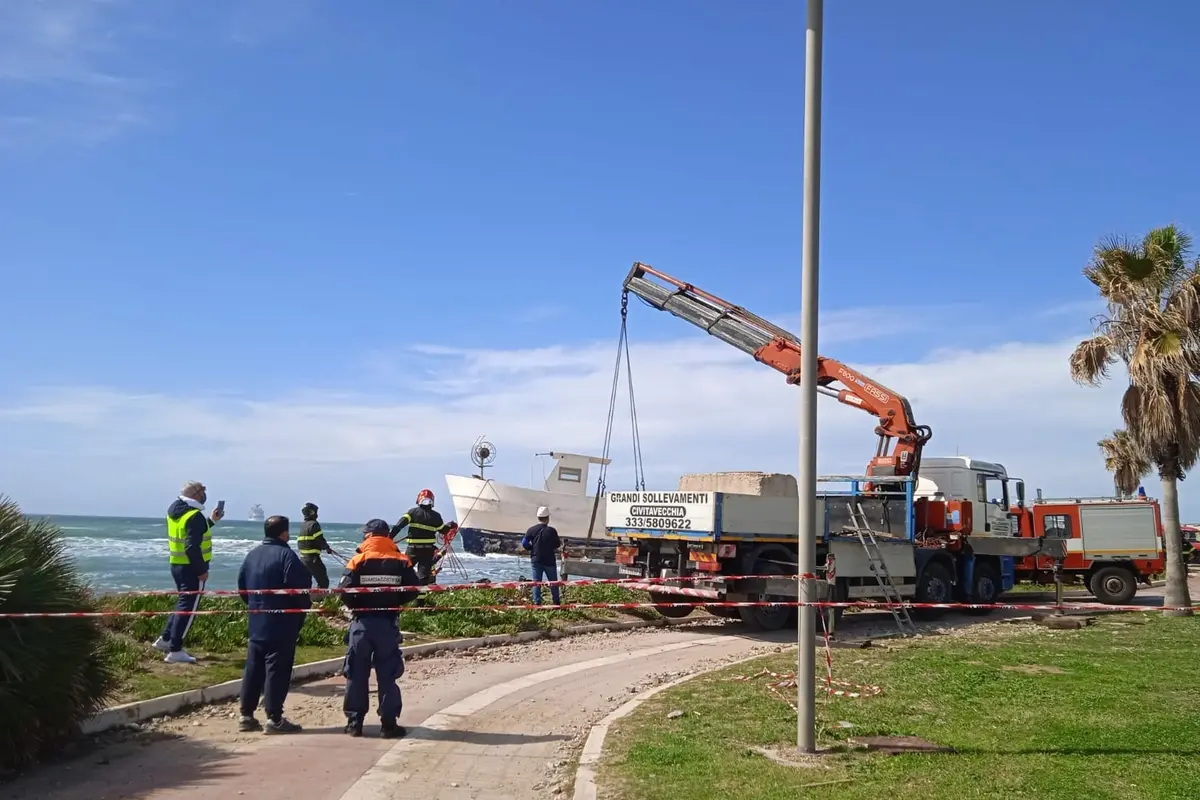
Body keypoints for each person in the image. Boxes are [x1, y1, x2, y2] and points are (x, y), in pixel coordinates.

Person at [340, 518, 421, 738]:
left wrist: (357, 606)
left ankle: (354, 723)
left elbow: (344, 590)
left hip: (362, 624)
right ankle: (388, 724)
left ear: (368, 536)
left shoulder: (358, 560)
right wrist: (395, 602)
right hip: (387, 623)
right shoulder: (401, 560)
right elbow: (414, 589)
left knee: (356, 674)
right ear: (387, 536)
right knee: (387, 674)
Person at [235, 515, 311, 734]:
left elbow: (242, 588)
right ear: (284, 533)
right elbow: (298, 589)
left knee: (254, 667)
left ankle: (246, 715)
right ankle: (274, 718)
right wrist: (302, 610)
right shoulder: (287, 556)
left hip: (257, 619)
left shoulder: (252, 555)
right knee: (277, 669)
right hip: (281, 621)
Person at [152, 480, 224, 664]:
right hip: (191, 568)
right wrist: (201, 570)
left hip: (177, 565)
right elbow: (192, 546)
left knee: (182, 604)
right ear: (194, 495)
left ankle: (166, 639)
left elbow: (192, 532)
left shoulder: (176, 511)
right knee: (188, 609)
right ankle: (175, 650)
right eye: (202, 491)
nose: (204, 494)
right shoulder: (194, 515)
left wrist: (212, 521)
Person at [390, 489, 451, 584]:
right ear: (432, 501)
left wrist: (389, 537)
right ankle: (420, 598)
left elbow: (399, 525)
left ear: (419, 500)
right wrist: (450, 525)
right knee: (423, 577)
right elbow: (443, 530)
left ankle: (401, 596)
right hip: (427, 551)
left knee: (403, 572)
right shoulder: (436, 516)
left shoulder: (412, 512)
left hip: (412, 549)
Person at [522, 506, 562, 605]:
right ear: (548, 517)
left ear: (538, 517)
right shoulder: (552, 531)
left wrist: (532, 549)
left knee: (537, 583)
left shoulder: (531, 530)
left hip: (536, 559)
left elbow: (524, 543)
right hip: (549, 560)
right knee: (553, 582)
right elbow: (557, 544)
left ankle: (537, 603)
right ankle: (556, 603)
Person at [297, 502, 334, 589]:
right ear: (312, 512)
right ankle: (319, 600)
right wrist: (327, 548)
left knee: (306, 581)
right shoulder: (314, 524)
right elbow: (319, 539)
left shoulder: (303, 525)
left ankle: (307, 600)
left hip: (303, 559)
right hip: (313, 558)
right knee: (323, 581)